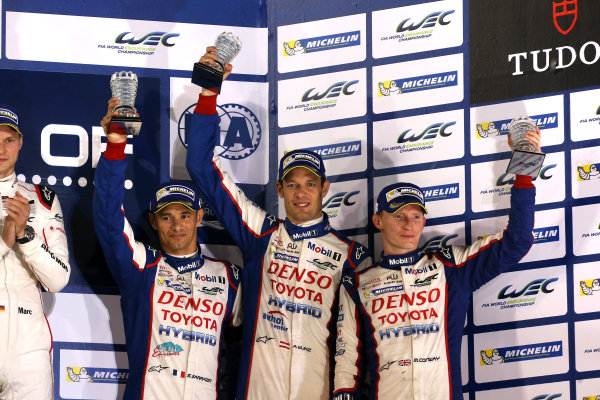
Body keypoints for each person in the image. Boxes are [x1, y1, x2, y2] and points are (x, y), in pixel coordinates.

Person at [184, 48, 372, 400]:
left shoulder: (351, 255)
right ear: (281, 190)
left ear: (324, 188)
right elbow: (200, 167)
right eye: (293, 184)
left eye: (310, 183)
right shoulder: (262, 232)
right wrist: (209, 94)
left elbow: (357, 340)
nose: (302, 193)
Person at [333, 130, 541, 399]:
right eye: (398, 215)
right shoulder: (357, 284)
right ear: (378, 221)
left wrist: (525, 166)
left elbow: (518, 241)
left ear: (424, 221)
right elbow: (347, 365)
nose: (408, 224)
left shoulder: (451, 268)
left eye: (416, 215)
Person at [93, 98, 242, 399]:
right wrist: (116, 144)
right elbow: (109, 220)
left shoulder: (229, 277)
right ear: (154, 221)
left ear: (199, 217)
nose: (177, 226)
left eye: (185, 215)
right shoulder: (141, 267)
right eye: (167, 217)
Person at [0, 106, 70, 399]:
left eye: (8, 140)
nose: (1, 148)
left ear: (20, 144)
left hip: (28, 351)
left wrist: (25, 237)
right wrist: (6, 239)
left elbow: (58, 279)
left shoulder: (42, 199)